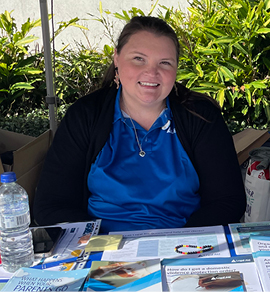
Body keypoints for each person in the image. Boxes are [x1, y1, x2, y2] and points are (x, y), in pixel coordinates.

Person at [34, 16, 246, 233]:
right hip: (101, 250)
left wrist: (180, 243)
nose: (151, 73)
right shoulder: (85, 115)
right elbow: (51, 204)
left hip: (184, 246)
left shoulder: (200, 116)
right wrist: (102, 246)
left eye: (164, 62)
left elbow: (228, 200)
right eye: (138, 59)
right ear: (116, 58)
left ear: (176, 67)